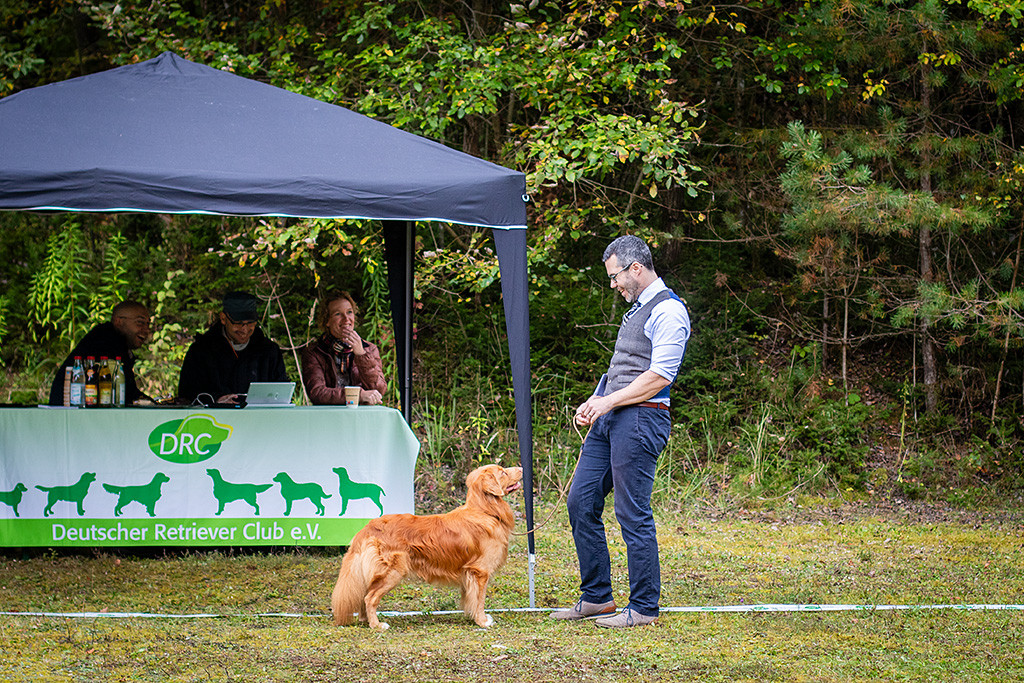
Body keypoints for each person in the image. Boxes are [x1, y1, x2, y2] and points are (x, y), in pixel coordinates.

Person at [551, 235, 691, 628]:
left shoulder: (669, 312)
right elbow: (623, 368)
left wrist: (609, 403)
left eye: (615, 277)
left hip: (643, 419)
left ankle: (644, 607)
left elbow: (659, 376)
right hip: (611, 418)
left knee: (632, 512)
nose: (613, 285)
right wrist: (596, 401)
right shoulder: (637, 308)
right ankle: (597, 598)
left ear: (636, 268)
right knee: (580, 501)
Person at [177, 291, 289, 405]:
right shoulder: (201, 351)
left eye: (250, 323)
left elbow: (281, 393)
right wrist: (216, 400)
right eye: (238, 323)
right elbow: (186, 393)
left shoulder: (269, 351)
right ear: (223, 318)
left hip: (258, 419)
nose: (244, 329)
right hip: (214, 419)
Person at [47, 300, 153, 406]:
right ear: (119, 321)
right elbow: (127, 392)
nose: (146, 330)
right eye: (140, 322)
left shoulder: (113, 340)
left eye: (148, 324)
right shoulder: (105, 341)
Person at [301, 291, 386, 405]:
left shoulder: (369, 349)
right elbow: (317, 393)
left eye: (349, 312)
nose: (346, 319)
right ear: (327, 321)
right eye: (338, 314)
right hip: (329, 417)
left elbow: (378, 390)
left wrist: (361, 354)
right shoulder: (314, 352)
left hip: (361, 417)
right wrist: (357, 395)